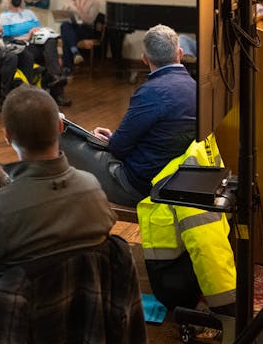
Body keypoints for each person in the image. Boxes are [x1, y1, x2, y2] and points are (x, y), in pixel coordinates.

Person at [0, 87, 114, 300]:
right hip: (87, 317)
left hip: (16, 326)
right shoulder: (93, 189)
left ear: (7, 135)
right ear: (60, 127)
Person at [60, 24, 196, 207]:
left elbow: (118, 148)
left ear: (144, 59)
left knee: (61, 133)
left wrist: (113, 139)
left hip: (139, 186)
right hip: (176, 179)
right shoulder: (196, 88)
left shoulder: (150, 92)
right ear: (179, 53)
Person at [0, 0, 69, 103]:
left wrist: (37, 32)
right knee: (51, 56)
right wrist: (28, 36)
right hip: (22, 47)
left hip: (37, 43)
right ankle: (56, 84)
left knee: (50, 41)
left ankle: (55, 80)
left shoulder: (29, 13)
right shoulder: (5, 16)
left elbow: (40, 30)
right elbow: (7, 40)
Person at [59, 0, 103, 65]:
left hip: (86, 29)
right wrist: (65, 8)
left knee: (66, 34)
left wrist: (77, 9)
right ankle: (75, 52)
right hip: (72, 27)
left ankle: (67, 69)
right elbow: (62, 16)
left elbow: (90, 20)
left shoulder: (95, 2)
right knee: (65, 25)